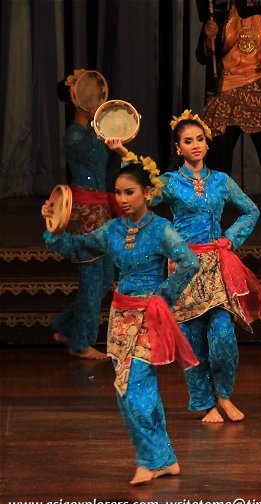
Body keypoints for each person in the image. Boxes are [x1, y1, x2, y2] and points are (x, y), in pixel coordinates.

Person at [41, 158, 200, 486]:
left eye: (130, 192)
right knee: (142, 387)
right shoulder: (113, 229)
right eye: (118, 193)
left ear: (146, 192)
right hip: (120, 317)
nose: (123, 199)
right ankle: (165, 459)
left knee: (130, 388)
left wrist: (164, 295)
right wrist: (52, 225)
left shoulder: (160, 229)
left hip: (150, 316)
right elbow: (75, 246)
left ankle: (149, 460)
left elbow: (189, 261)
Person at [111, 111, 261, 424]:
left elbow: (251, 210)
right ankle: (204, 403)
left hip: (217, 265)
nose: (195, 145)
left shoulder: (221, 181)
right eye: (187, 141)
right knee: (192, 341)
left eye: (199, 139)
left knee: (222, 335)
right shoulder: (170, 183)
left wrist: (230, 239)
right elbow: (143, 195)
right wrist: (124, 154)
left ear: (207, 144)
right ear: (179, 148)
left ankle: (224, 394)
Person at [196, 0, 261, 234]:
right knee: (218, 160)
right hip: (226, 89)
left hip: (257, 87)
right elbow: (203, 56)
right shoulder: (218, 13)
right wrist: (208, 39)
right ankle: (209, 218)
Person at [51, 71, 126, 360]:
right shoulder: (74, 134)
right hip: (84, 210)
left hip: (100, 209)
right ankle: (81, 343)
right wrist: (99, 127)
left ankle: (65, 327)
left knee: (106, 276)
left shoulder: (91, 131)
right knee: (93, 278)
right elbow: (85, 153)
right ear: (80, 101)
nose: (97, 101)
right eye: (92, 97)